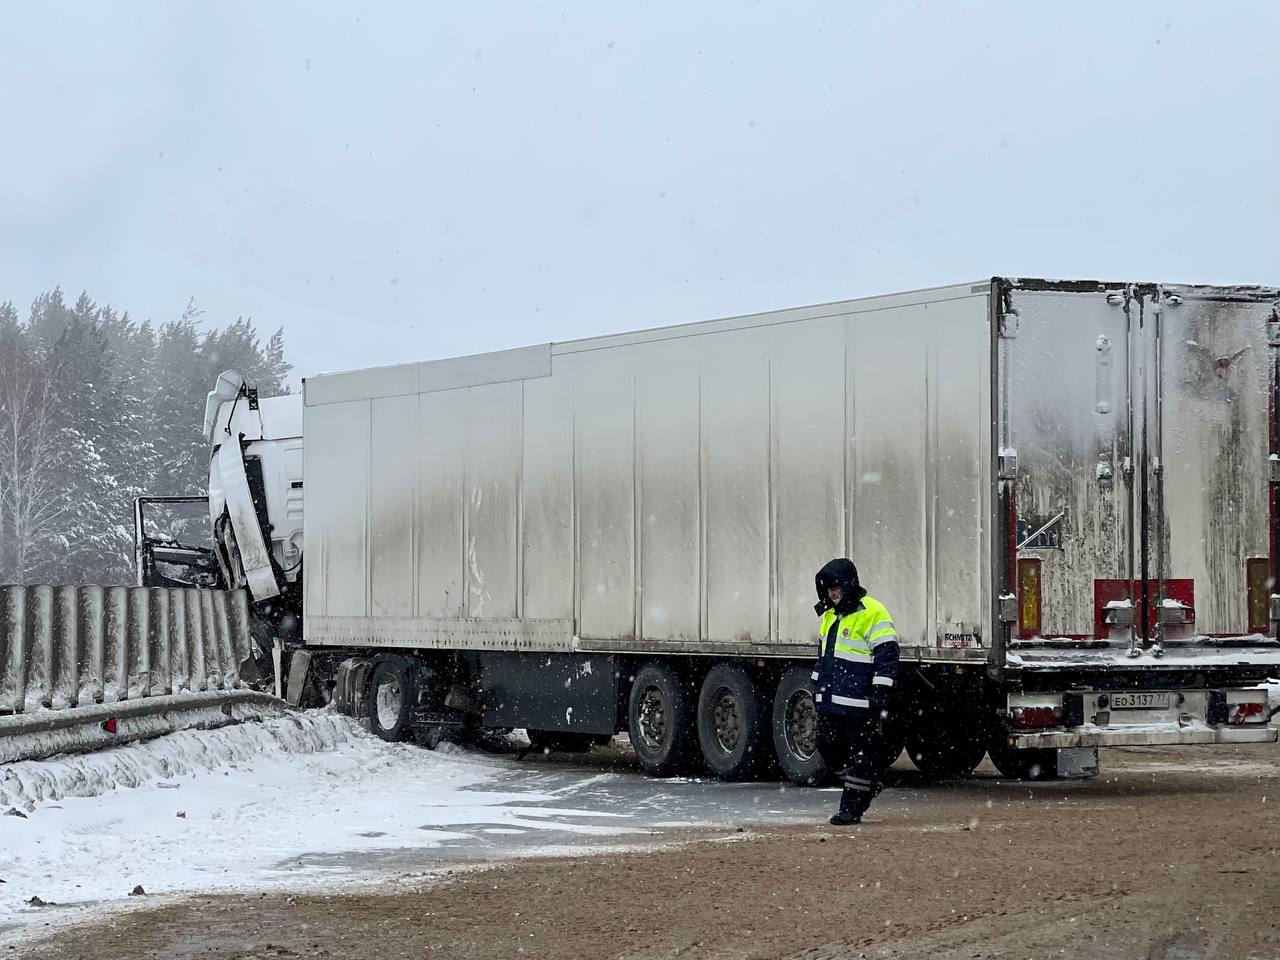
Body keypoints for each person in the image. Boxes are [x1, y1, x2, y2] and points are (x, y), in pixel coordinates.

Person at [811, 557, 899, 825]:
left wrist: (880, 692)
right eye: (827, 589)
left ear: (848, 584)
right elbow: (823, 656)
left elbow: (887, 656)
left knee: (859, 755)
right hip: (830, 698)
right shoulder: (829, 615)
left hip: (860, 701)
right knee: (827, 745)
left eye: (835, 587)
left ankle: (849, 809)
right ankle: (866, 784)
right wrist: (817, 688)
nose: (832, 593)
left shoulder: (874, 612)